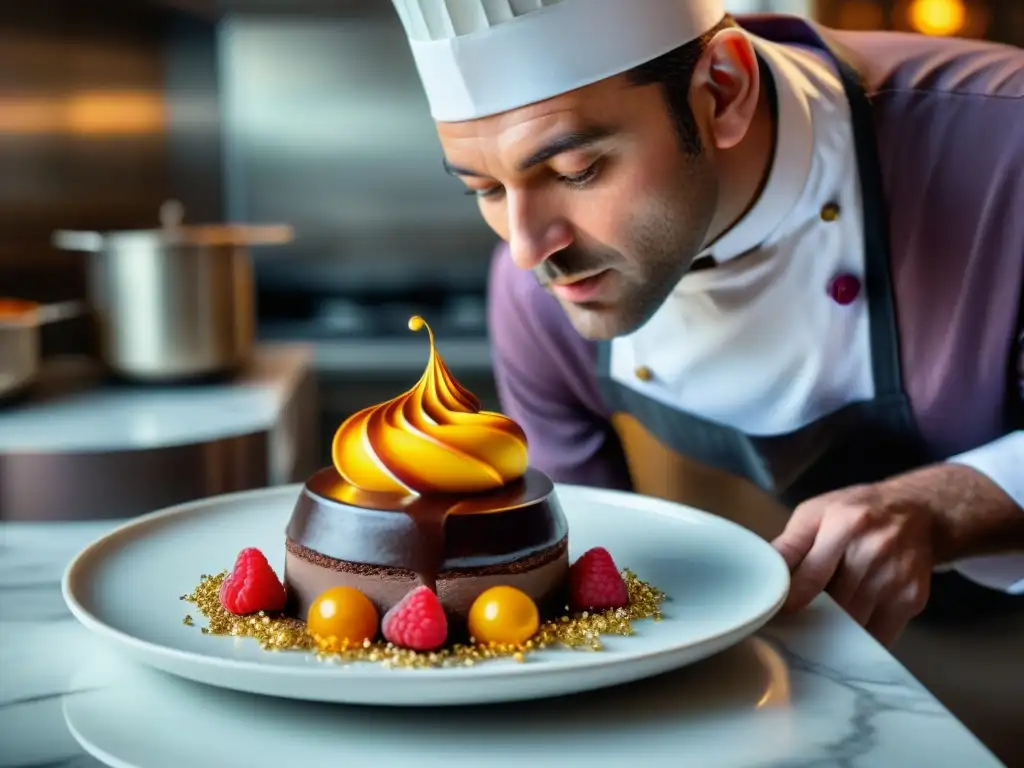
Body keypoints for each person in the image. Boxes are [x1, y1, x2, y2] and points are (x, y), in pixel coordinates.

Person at [388, 0, 1024, 647]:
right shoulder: (538, 302)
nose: (526, 251)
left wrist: (947, 504)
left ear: (723, 90)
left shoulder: (1008, 146)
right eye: (484, 190)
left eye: (575, 171)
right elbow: (585, 594)